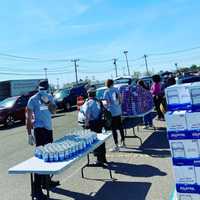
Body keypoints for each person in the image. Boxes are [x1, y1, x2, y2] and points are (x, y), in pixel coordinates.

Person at [26, 80, 59, 200]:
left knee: (48, 157)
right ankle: (36, 189)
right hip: (40, 131)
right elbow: (28, 118)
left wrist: (48, 102)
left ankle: (46, 182)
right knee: (41, 160)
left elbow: (54, 111)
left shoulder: (49, 97)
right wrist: (29, 134)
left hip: (48, 130)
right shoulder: (33, 99)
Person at [80, 87, 107, 166]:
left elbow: (87, 116)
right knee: (101, 141)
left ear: (88, 94)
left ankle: (99, 160)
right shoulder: (98, 101)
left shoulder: (88, 103)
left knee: (95, 142)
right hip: (100, 123)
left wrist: (86, 125)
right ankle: (103, 158)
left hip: (93, 124)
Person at [103, 79, 125, 152]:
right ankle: (123, 142)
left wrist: (105, 107)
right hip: (118, 111)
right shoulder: (116, 89)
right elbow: (121, 100)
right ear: (112, 83)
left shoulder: (106, 92)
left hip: (112, 112)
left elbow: (106, 103)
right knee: (120, 127)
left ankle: (116, 145)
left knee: (113, 129)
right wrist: (118, 105)